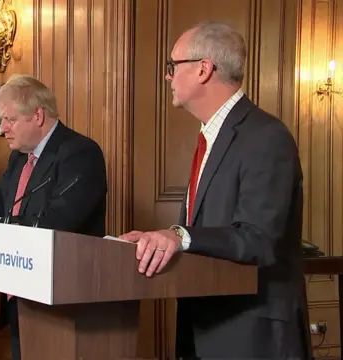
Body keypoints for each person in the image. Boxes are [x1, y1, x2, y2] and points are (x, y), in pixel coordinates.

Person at [117, 21, 311, 359]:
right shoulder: (211, 136)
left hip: (252, 335)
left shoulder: (266, 136)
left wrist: (179, 235)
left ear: (204, 69)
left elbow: (259, 238)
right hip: (205, 328)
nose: (167, 77)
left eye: (172, 66)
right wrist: (158, 240)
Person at [0, 74, 107, 360]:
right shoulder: (18, 158)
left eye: (9, 120)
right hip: (20, 288)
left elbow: (58, 222)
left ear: (38, 115)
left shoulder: (80, 153)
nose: (3, 129)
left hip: (63, 297)